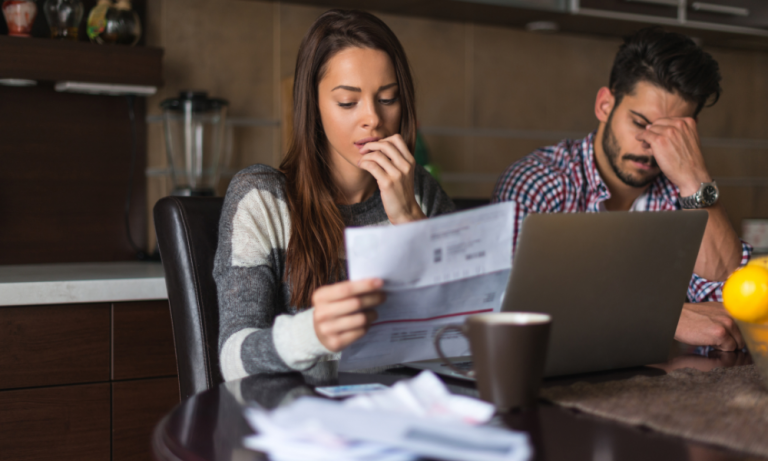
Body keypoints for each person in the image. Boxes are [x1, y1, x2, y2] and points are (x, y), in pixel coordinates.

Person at [214, 9, 454, 381]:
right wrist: (312, 334)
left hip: (405, 413)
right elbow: (233, 359)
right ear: (314, 106)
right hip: (303, 421)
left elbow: (464, 336)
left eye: (388, 99)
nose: (372, 118)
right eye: (347, 102)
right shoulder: (262, 199)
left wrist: (409, 218)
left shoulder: (420, 191)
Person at [493, 27, 750, 352]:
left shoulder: (682, 194)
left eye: (670, 133)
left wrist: (694, 178)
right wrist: (667, 317)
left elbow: (736, 311)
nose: (650, 145)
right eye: (641, 123)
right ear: (604, 105)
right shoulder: (540, 182)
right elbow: (511, 316)